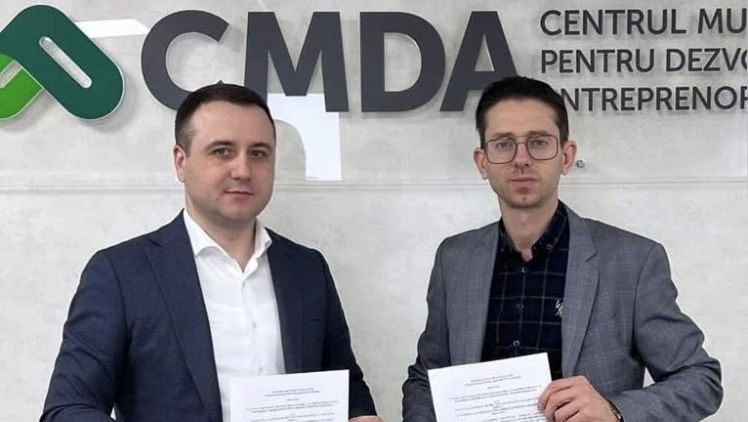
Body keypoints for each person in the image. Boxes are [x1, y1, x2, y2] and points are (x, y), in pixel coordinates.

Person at [41, 83, 380, 422]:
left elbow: (346, 387)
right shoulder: (121, 274)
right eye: (222, 151)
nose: (243, 170)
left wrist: (360, 415)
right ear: (181, 162)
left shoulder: (307, 269)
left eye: (258, 153)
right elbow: (67, 409)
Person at [402, 76, 722, 422]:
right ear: (483, 162)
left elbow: (700, 379)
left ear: (566, 157)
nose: (521, 159)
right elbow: (426, 378)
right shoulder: (454, 259)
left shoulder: (634, 261)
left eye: (538, 142)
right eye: (504, 144)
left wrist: (615, 411)